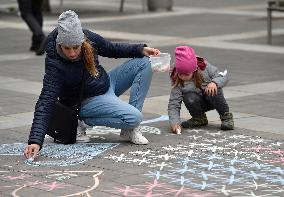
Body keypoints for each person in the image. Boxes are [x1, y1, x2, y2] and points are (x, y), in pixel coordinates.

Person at [24, 10, 160, 159]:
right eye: (67, 48)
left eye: (76, 47)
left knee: (144, 62)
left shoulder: (88, 38)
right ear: (59, 44)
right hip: (86, 100)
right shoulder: (55, 63)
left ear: (82, 41)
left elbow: (111, 48)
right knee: (134, 117)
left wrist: (140, 49)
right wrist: (35, 141)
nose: (72, 53)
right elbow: (46, 100)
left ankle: (130, 130)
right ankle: (81, 121)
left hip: (105, 82)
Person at [168, 45, 234, 134]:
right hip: (198, 102)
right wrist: (175, 123)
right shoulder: (177, 79)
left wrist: (214, 82)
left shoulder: (204, 67)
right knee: (189, 97)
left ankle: (226, 117)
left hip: (213, 98)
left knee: (214, 88)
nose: (183, 77)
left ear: (194, 70)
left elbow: (223, 76)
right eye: (181, 74)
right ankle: (199, 118)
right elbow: (174, 103)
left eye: (186, 74)